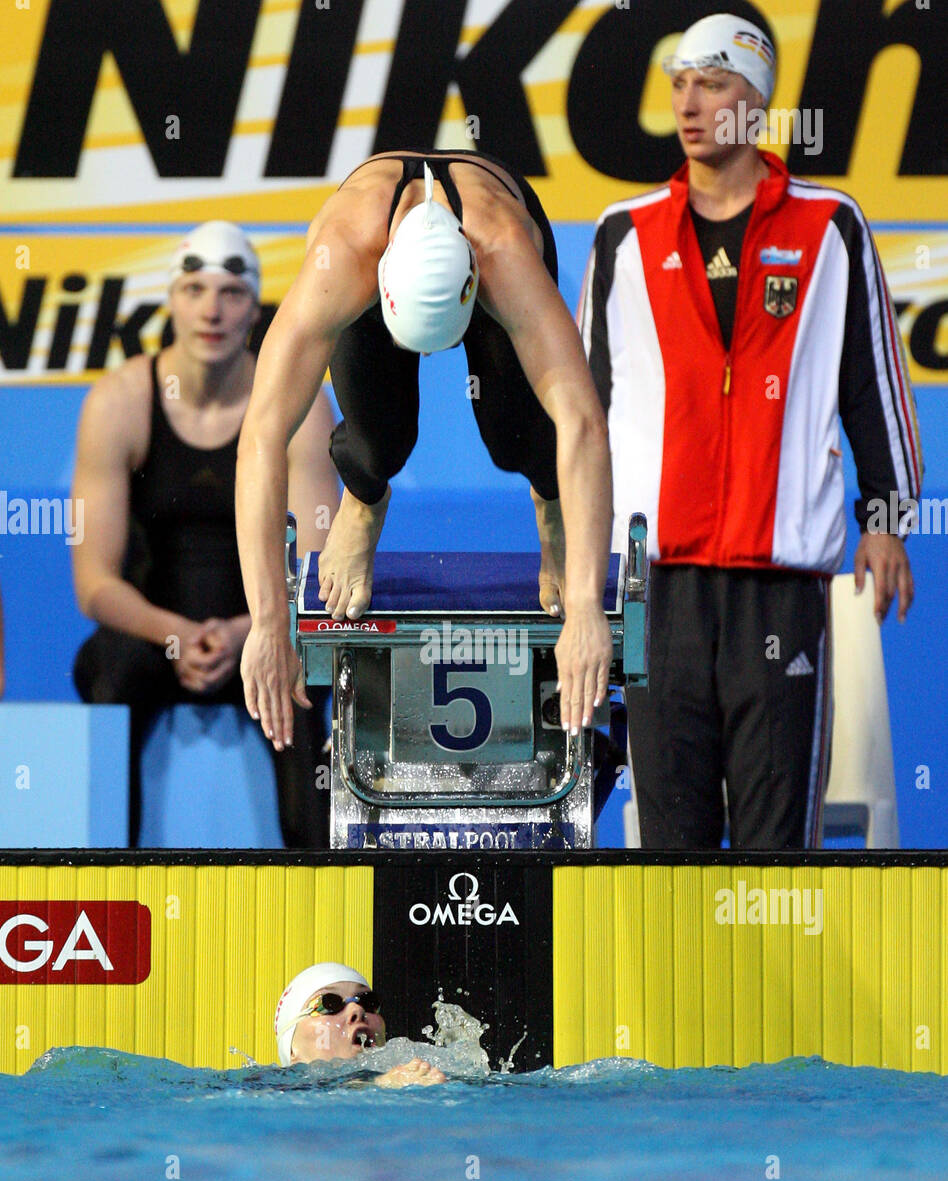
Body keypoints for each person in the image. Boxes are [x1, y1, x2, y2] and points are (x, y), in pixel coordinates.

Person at [578, 12, 923, 849]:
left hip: (781, 583)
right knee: (670, 844)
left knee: (778, 849)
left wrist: (886, 521)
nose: (690, 104)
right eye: (680, 85)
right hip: (658, 587)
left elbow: (872, 382)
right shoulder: (624, 235)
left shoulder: (829, 227)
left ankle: (774, 987)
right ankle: (680, 989)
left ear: (757, 101)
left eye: (714, 84)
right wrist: (569, 554)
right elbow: (581, 415)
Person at [235, 150, 614, 754]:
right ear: (382, 287)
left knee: (516, 429)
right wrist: (268, 621)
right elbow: (260, 436)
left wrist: (590, 607)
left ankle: (550, 505)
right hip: (377, 237)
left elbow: (585, 424)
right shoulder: (344, 255)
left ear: (470, 290)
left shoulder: (505, 251)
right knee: (380, 436)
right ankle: (363, 500)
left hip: (490, 226)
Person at [70, 221, 339, 847]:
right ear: (171, 301)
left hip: (264, 631)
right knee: (108, 670)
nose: (211, 310)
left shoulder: (298, 401)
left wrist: (255, 631)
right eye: (194, 290)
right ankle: (111, 876)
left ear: (256, 309)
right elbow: (94, 583)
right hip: (152, 638)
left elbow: (320, 565)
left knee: (303, 676)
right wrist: (177, 636)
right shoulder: (118, 402)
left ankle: (318, 884)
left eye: (230, 292)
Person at [274, 962, 447, 1088]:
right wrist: (379, 1084)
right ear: (292, 1050)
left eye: (368, 1002)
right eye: (329, 1004)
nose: (357, 1009)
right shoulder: (268, 1087)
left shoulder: (422, 1073)